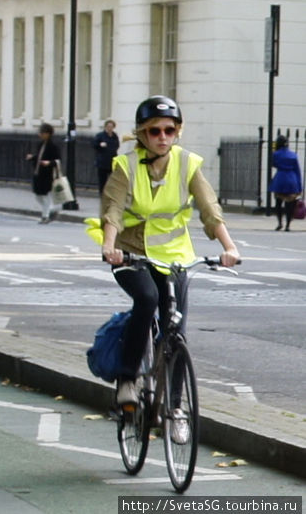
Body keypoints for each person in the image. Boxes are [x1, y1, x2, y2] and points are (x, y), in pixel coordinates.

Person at [90, 95, 240, 423]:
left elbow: (210, 209)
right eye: (154, 131)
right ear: (142, 134)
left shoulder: (187, 164)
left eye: (169, 130)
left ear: (177, 132)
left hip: (174, 257)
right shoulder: (125, 166)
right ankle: (128, 380)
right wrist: (110, 246)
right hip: (132, 252)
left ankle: (174, 408)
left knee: (177, 329)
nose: (162, 137)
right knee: (146, 299)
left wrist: (230, 247)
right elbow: (112, 209)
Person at [25, 122, 61, 224]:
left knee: (45, 196)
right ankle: (52, 209)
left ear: (48, 134)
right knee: (38, 195)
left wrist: (49, 163)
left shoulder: (53, 146)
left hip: (47, 174)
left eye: (42, 132)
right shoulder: (40, 144)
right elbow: (39, 156)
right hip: (38, 173)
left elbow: (57, 160)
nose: (40, 134)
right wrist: (32, 157)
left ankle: (45, 216)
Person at [268, 135, 302, 232]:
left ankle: (279, 223)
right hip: (292, 179)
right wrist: (299, 187)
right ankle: (288, 225)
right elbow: (297, 171)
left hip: (280, 178)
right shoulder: (293, 155)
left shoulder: (276, 154)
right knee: (290, 204)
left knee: (278, 202)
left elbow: (273, 164)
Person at [92, 119, 120, 194]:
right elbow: (94, 145)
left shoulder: (114, 136)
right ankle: (102, 194)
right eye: (108, 126)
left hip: (112, 160)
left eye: (111, 127)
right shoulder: (100, 136)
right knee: (102, 180)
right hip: (102, 161)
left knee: (112, 179)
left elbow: (117, 145)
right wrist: (100, 145)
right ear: (105, 127)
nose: (110, 128)